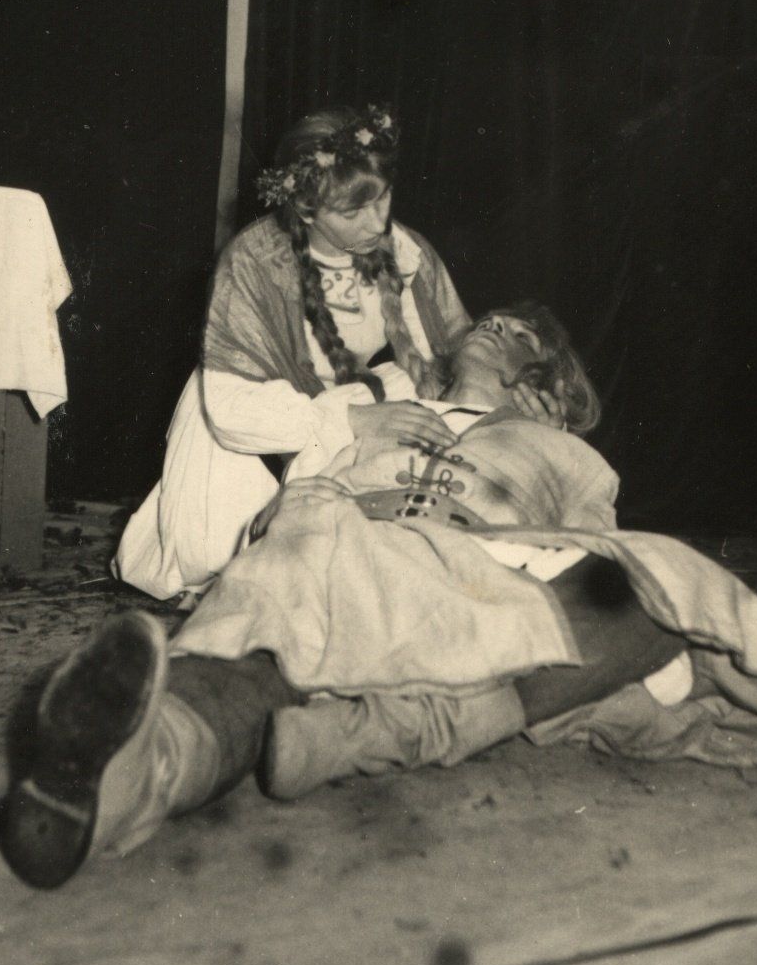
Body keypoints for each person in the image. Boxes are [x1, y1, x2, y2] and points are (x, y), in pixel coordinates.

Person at [0, 303, 757, 889]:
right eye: (491, 318)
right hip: (357, 561)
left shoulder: (568, 452)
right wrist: (337, 453)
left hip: (482, 580)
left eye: (519, 333)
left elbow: (591, 549)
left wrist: (532, 479)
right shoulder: (384, 408)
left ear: (546, 384)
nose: (494, 325)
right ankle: (140, 772)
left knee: (653, 574)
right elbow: (277, 506)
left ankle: (389, 729)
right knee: (293, 562)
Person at [113, 107, 560, 601]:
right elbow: (230, 410)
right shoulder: (254, 260)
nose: (379, 221)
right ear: (306, 210)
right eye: (352, 212)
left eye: (383, 197)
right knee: (214, 560)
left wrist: (531, 415)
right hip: (248, 418)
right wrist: (350, 420)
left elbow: (460, 360)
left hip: (343, 409)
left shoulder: (406, 252)